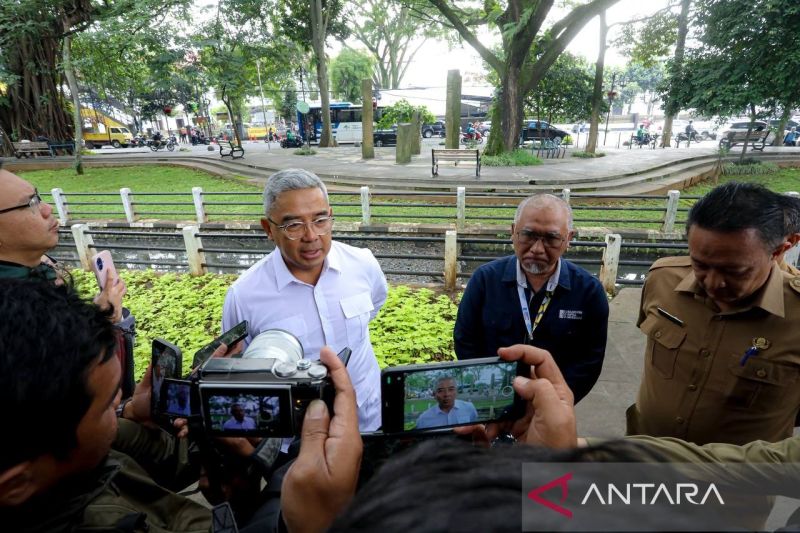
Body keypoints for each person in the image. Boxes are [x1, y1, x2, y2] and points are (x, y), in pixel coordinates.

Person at [0, 279, 363, 533]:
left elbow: (167, 453)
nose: (120, 405)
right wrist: (296, 512)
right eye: (109, 404)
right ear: (16, 484)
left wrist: (172, 411)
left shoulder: (65, 453)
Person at [630, 182, 800, 446]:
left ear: (778, 251)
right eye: (700, 264)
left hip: (735, 472)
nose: (713, 283)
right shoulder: (662, 279)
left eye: (734, 271)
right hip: (642, 456)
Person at [222, 169, 388, 431]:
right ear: (268, 229)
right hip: (295, 437)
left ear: (330, 216)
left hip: (369, 418)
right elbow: (239, 370)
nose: (311, 236)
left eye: (320, 220)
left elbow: (375, 304)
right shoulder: (243, 296)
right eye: (293, 225)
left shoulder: (362, 264)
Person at [454, 194, 609, 403]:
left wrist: (557, 401)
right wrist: (490, 396)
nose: (537, 249)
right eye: (528, 235)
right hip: (492, 399)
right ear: (513, 231)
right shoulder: (484, 280)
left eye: (551, 238)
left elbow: (589, 361)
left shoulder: (589, 292)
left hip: (552, 404)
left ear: (568, 239)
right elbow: (465, 342)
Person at [0, 164, 137, 398]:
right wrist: (104, 319)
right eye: (29, 204)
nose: (47, 209)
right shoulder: (17, 312)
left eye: (38, 197)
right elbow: (79, 394)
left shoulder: (35, 273)